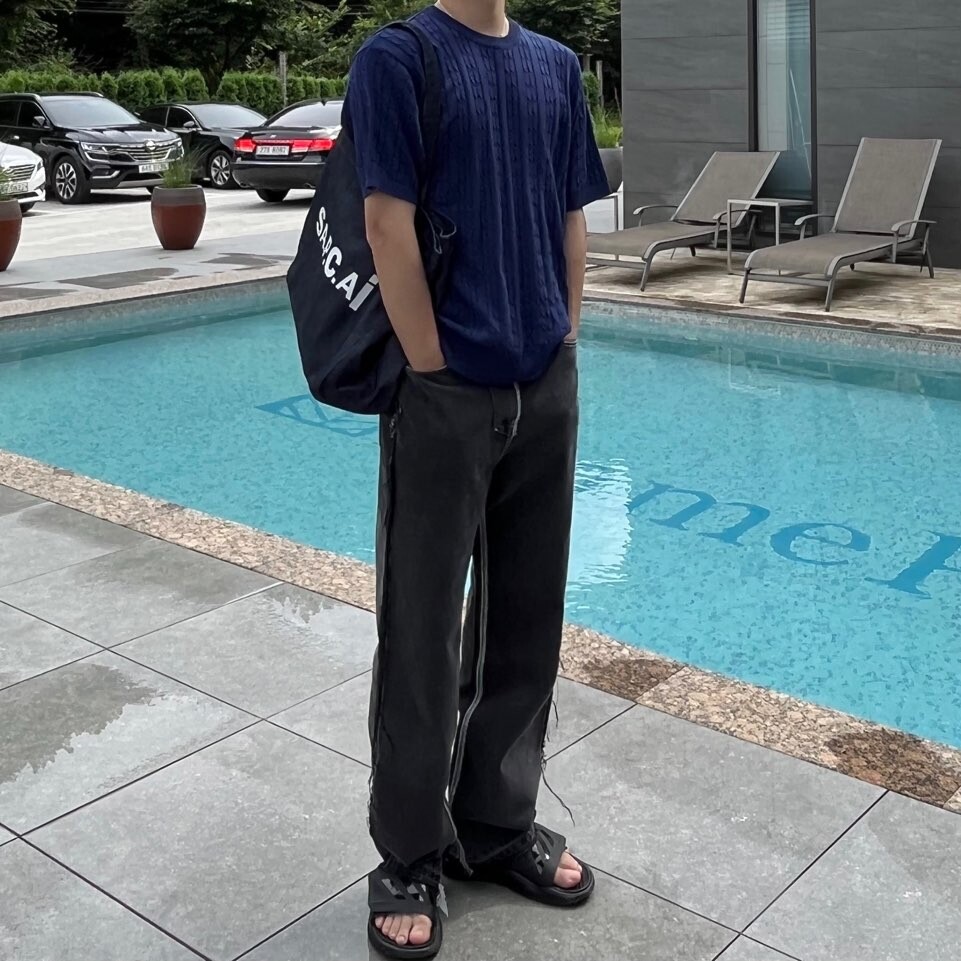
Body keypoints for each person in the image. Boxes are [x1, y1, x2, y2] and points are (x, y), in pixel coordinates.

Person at [345, 1, 610, 956]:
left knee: (527, 619)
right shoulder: (397, 59)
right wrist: (431, 366)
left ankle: (494, 826)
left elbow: (570, 215)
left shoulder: (556, 67)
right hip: (444, 390)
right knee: (421, 628)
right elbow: (385, 223)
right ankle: (409, 853)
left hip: (543, 381)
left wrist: (563, 338)